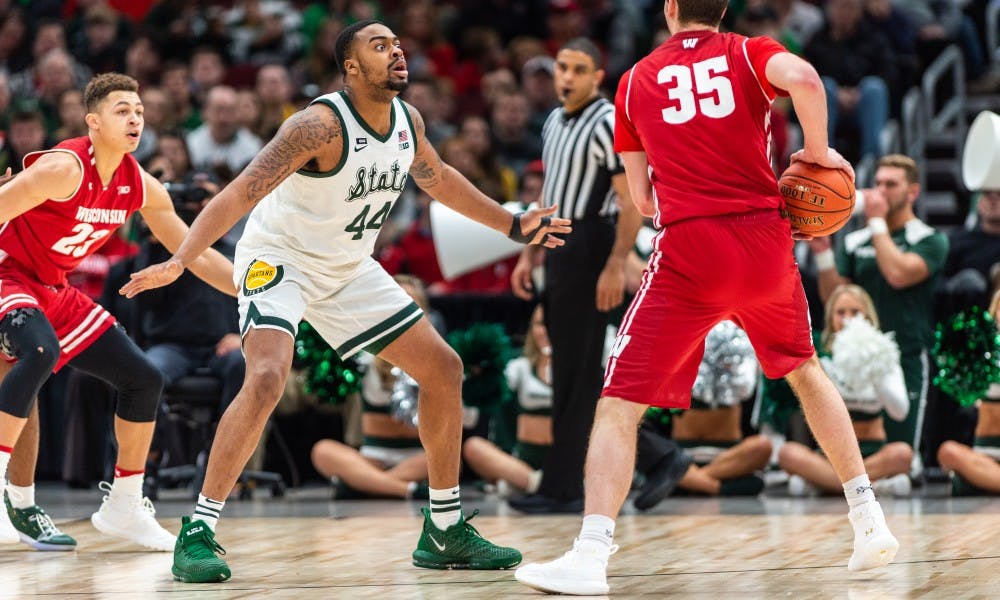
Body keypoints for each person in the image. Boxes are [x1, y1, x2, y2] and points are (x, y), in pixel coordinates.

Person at [120, 20, 570, 583]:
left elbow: (440, 178)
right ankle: (199, 530)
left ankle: (444, 527)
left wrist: (512, 224)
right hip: (279, 259)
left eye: (398, 44)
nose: (397, 52)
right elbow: (241, 191)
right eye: (380, 46)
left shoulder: (408, 120)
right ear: (352, 67)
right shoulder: (317, 125)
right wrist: (182, 257)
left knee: (444, 369)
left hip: (347, 266)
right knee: (264, 377)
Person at [515, 2, 898, 595]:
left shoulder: (635, 78)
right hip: (764, 239)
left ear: (669, 8)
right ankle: (868, 519)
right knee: (805, 371)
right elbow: (804, 79)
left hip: (690, 248)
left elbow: (641, 200)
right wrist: (819, 155)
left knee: (618, 403)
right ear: (721, 8)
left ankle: (590, 556)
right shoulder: (748, 51)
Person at [0, 72, 236, 552]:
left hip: (53, 288)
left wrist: (255, 292)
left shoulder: (141, 184)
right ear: (93, 122)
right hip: (8, 275)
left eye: (139, 111)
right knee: (41, 351)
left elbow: (193, 252)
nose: (135, 119)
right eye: (122, 110)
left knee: (144, 379)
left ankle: (125, 505)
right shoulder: (62, 169)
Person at [509, 37, 643, 514]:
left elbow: (631, 203)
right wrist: (530, 253)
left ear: (597, 77)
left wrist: (613, 264)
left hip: (592, 242)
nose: (567, 76)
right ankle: (661, 460)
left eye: (578, 69)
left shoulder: (607, 121)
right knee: (568, 367)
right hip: (561, 240)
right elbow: (551, 190)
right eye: (563, 66)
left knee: (581, 370)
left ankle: (562, 487)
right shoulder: (552, 120)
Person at [810, 154, 949, 478]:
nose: (881, 191)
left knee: (903, 458)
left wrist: (875, 222)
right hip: (860, 359)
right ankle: (850, 482)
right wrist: (824, 255)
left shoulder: (930, 239)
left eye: (891, 184)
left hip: (908, 354)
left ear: (912, 192)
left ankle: (837, 482)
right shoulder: (856, 241)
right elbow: (834, 298)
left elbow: (899, 274)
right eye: (878, 183)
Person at [779, 284, 913, 497]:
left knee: (903, 454)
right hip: (831, 456)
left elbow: (900, 411)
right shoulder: (819, 357)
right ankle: (867, 489)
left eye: (855, 312)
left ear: (868, 316)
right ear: (831, 317)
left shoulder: (884, 354)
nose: (848, 319)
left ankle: (829, 485)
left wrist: (874, 367)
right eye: (840, 312)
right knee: (787, 453)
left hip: (873, 453)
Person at [310, 275, 431, 500]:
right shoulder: (362, 358)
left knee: (449, 460)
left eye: (410, 304)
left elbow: (468, 420)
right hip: (371, 459)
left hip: (417, 460)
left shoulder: (438, 361)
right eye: (397, 302)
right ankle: (404, 490)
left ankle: (362, 485)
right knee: (323, 450)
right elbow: (326, 391)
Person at [462, 305, 551, 495]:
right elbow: (493, 389)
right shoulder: (520, 366)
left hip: (568, 459)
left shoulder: (580, 369)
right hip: (524, 460)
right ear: (531, 329)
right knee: (473, 447)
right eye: (539, 324)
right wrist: (479, 374)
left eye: (552, 324)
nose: (545, 331)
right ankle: (538, 484)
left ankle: (528, 485)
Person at [937, 289, 1000, 495]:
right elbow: (964, 399)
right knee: (948, 452)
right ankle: (984, 480)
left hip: (984, 468)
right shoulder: (980, 353)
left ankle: (980, 483)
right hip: (983, 456)